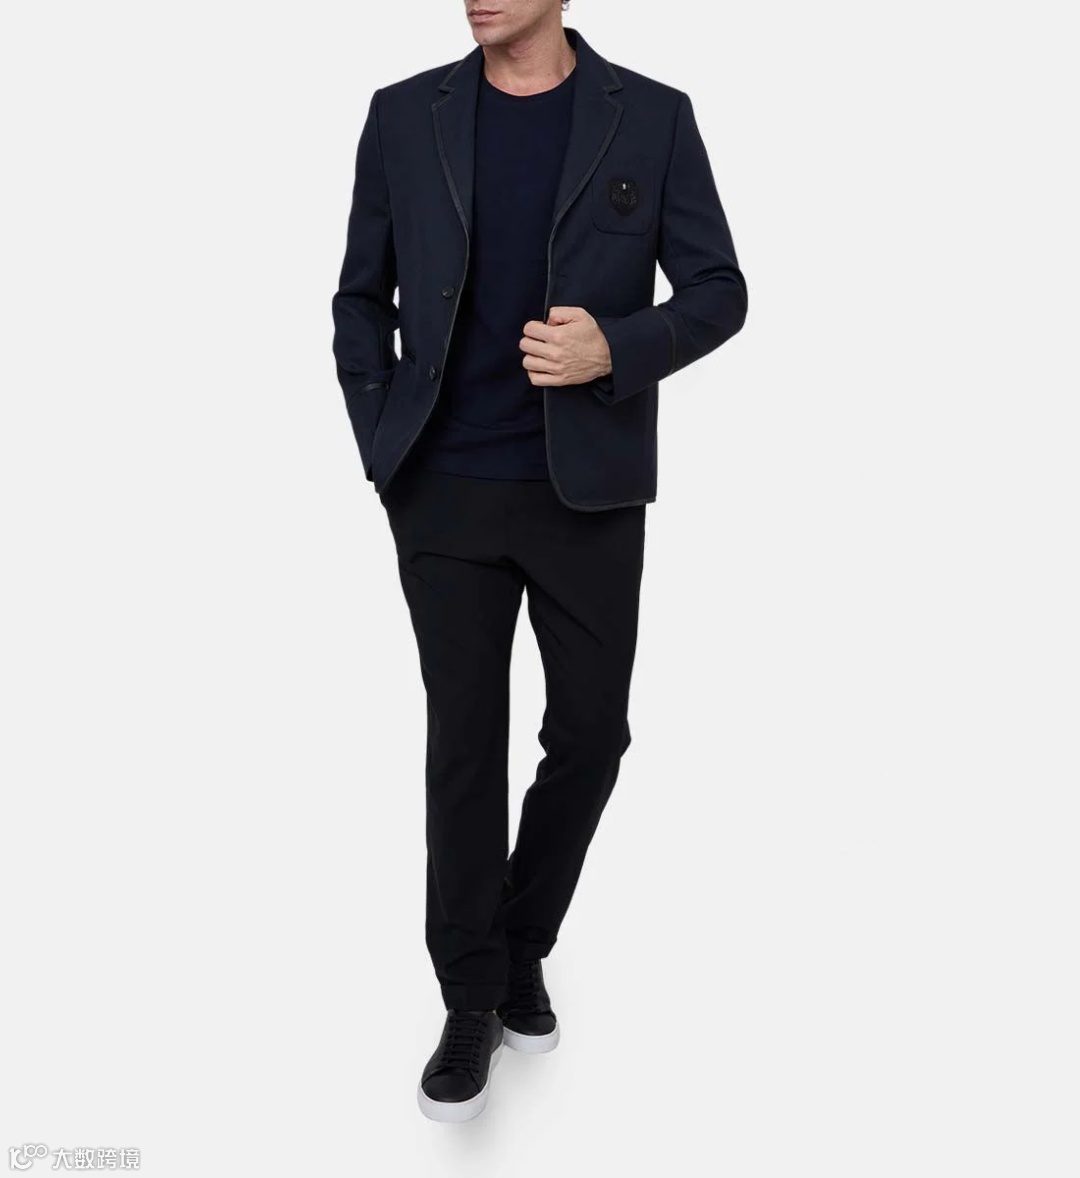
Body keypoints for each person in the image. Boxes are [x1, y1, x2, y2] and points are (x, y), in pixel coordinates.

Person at [331, 0, 747, 1122]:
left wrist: (620, 346)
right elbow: (360, 297)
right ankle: (473, 992)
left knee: (594, 734)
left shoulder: (653, 118)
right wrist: (384, 443)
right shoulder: (403, 115)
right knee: (464, 744)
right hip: (445, 487)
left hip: (588, 491)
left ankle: (522, 938)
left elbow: (721, 290)